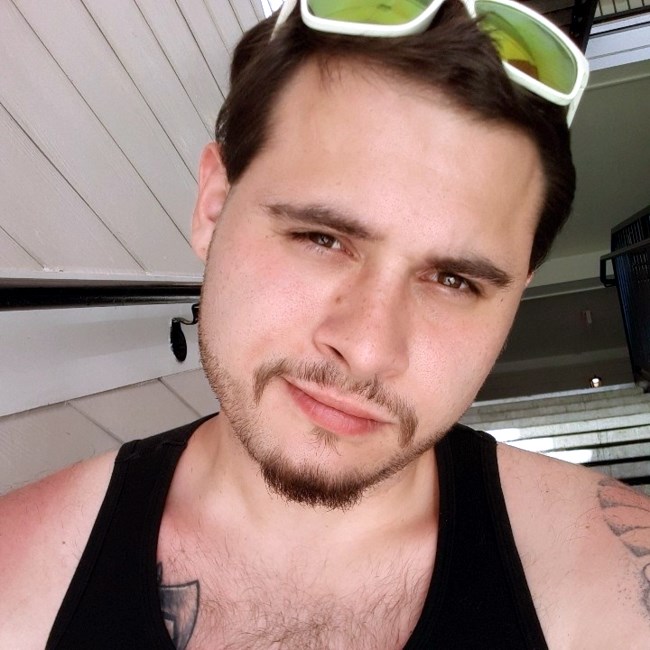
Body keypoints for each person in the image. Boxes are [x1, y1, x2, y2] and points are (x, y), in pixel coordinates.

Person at [1, 0, 649, 647]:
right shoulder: (17, 577)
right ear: (213, 207)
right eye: (321, 238)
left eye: (454, 280)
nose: (367, 348)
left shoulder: (612, 591)